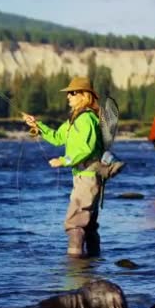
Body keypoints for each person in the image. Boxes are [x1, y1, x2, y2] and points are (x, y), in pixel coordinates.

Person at [22, 76, 104, 258]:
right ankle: (92, 266)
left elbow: (86, 148)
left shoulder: (86, 119)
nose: (68, 97)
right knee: (88, 225)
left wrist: (63, 160)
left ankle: (74, 269)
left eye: (72, 93)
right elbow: (57, 137)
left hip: (88, 175)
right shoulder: (75, 119)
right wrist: (37, 125)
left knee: (75, 224)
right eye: (68, 93)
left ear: (85, 96)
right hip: (83, 175)